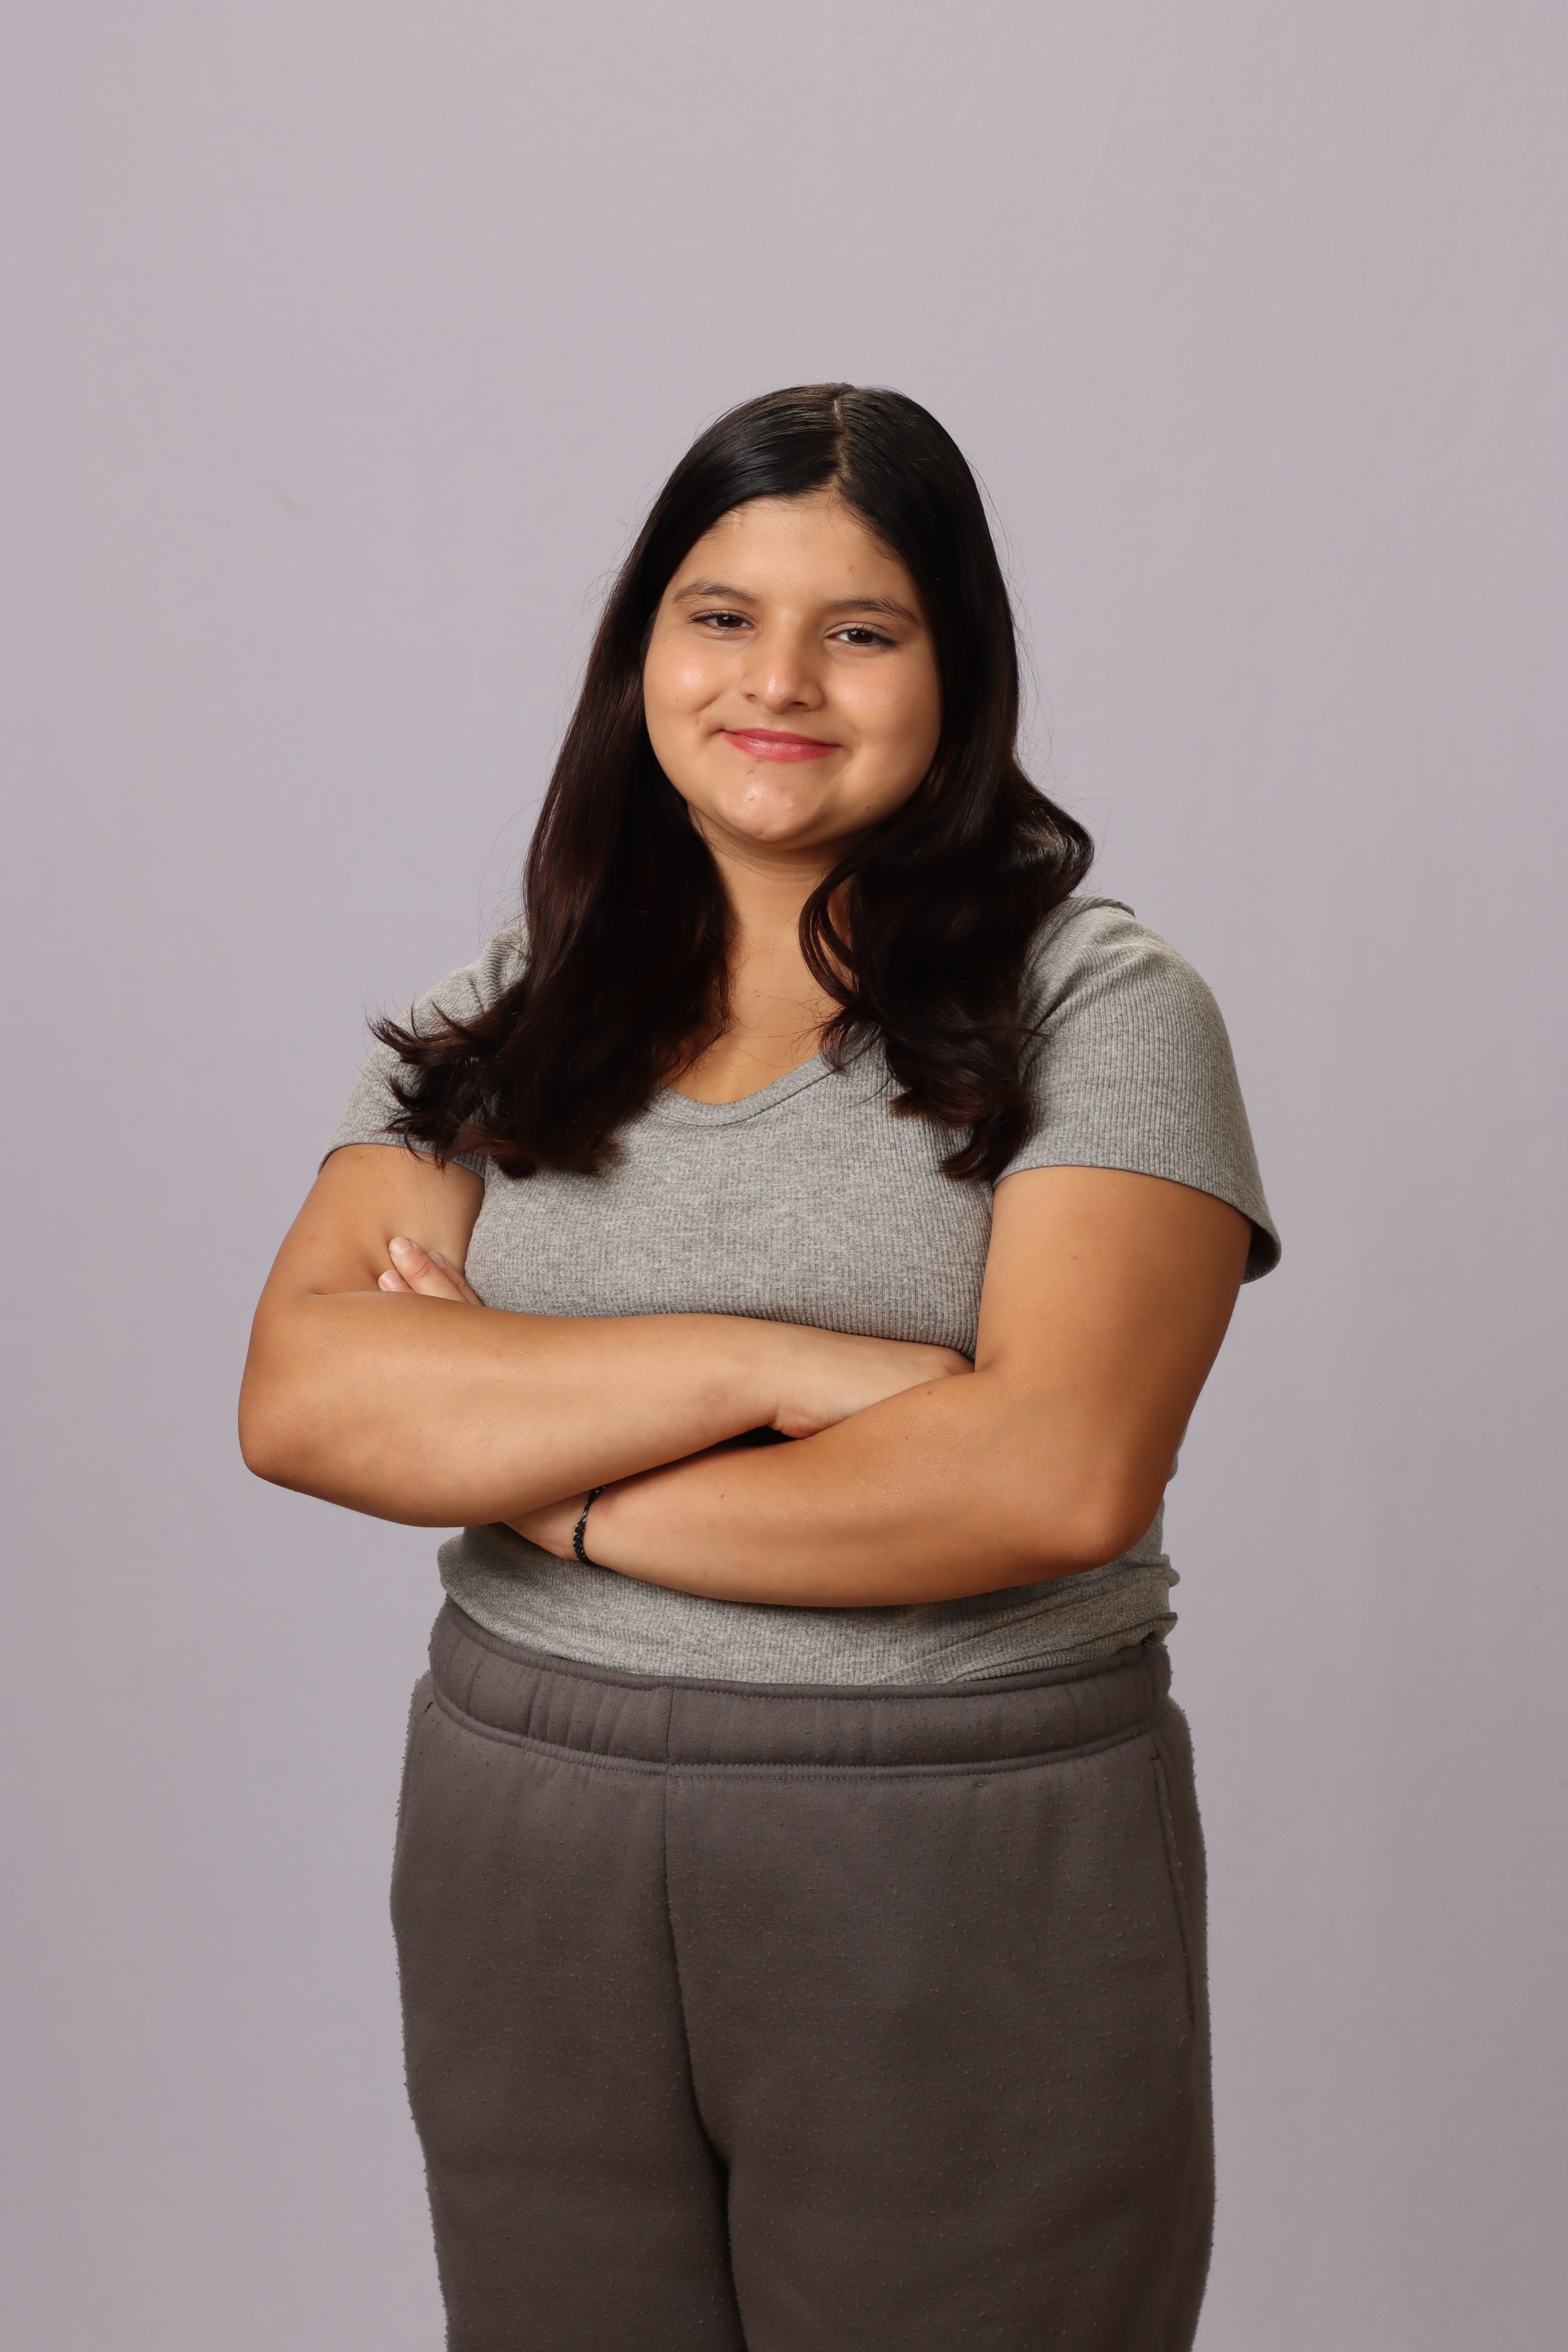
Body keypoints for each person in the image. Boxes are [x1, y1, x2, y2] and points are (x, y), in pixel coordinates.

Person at [240, 383, 1278, 2352]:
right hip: (522, 1825)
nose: (776, 681)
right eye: (719, 617)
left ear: (955, 670)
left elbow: (1052, 1478)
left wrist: (541, 1464)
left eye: (858, 630)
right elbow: (304, 1399)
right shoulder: (516, 1007)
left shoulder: (1101, 1006)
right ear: (640, 649)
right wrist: (778, 1368)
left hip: (950, 1843)